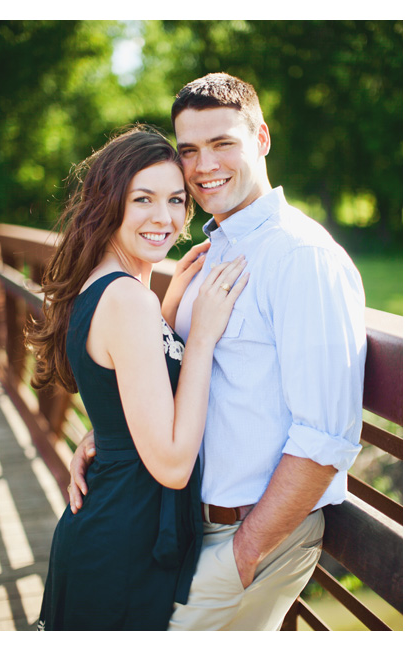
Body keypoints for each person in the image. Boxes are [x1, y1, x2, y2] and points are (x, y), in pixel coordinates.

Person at [68, 73, 367, 630]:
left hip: (246, 536)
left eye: (223, 143)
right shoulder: (211, 250)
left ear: (262, 138)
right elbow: (167, 368)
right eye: (189, 151)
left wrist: (246, 551)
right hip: (182, 527)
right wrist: (110, 431)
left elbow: (325, 435)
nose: (204, 165)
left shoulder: (302, 258)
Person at [27, 124, 249, 630]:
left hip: (115, 526)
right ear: (109, 203)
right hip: (122, 543)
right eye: (143, 199)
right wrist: (201, 337)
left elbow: (129, 379)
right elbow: (171, 465)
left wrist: (168, 307)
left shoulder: (113, 289)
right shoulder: (127, 300)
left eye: (175, 200)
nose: (163, 217)